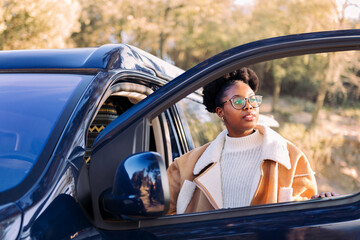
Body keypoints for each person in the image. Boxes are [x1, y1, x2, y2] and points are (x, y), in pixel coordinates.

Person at [167, 67, 330, 215]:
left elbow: (305, 214)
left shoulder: (290, 157)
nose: (248, 106)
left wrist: (322, 201)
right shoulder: (186, 165)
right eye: (238, 101)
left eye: (253, 100)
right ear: (220, 112)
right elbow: (164, 217)